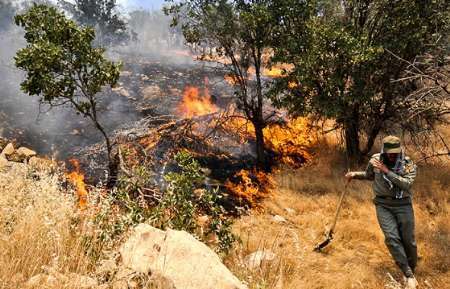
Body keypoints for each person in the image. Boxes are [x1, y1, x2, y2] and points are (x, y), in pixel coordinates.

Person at [345, 136, 418, 289]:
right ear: (384, 150)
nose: (392, 155)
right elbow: (370, 175)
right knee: (392, 238)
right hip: (383, 204)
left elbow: (406, 184)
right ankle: (408, 274)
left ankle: (411, 267)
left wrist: (387, 171)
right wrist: (355, 175)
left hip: (403, 204)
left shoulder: (408, 163)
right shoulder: (375, 160)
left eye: (395, 153)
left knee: (408, 241)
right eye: (389, 152)